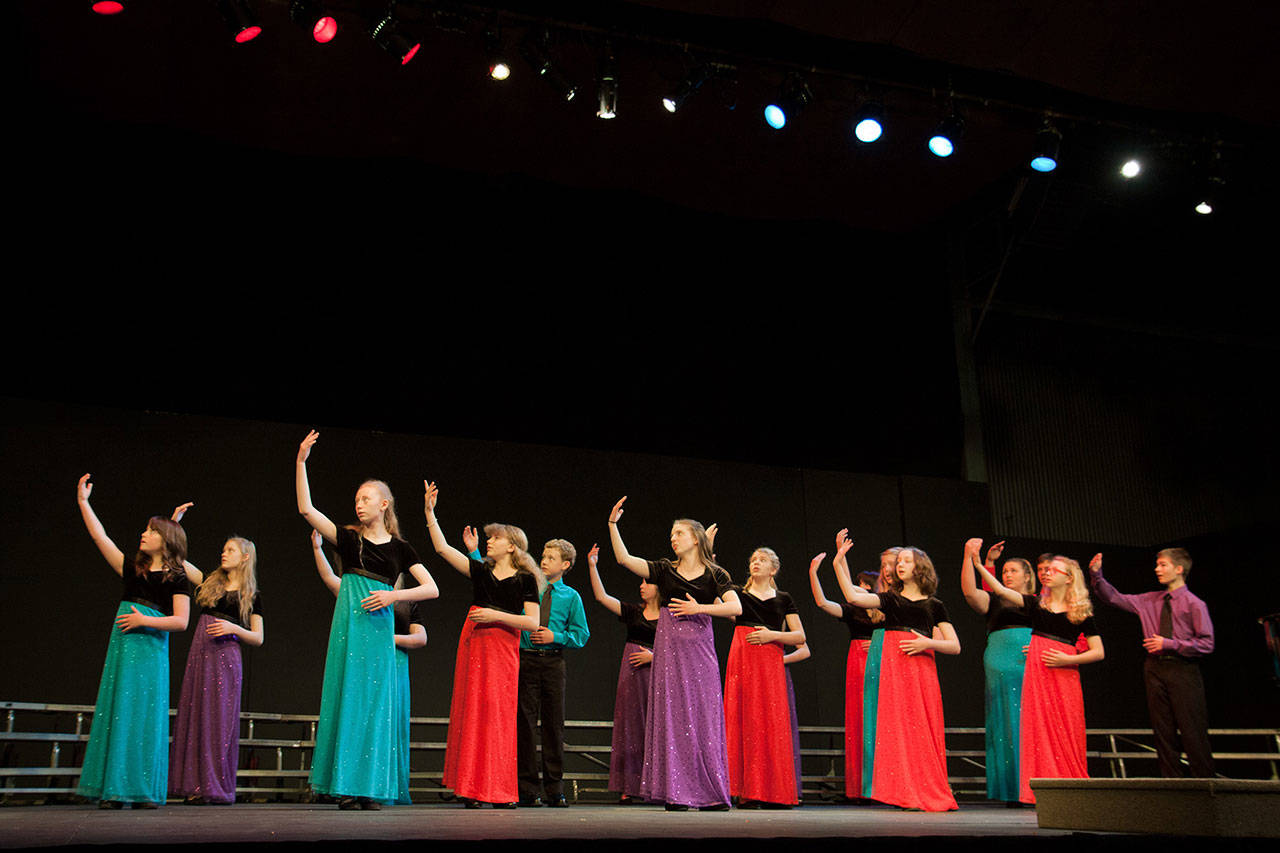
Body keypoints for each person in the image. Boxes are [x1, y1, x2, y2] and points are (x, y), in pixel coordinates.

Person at [295, 431, 440, 810]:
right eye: (356, 498)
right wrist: (301, 463)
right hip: (351, 624)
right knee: (349, 699)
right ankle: (345, 784)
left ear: (384, 504)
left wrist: (394, 595)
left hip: (378, 629)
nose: (358, 504)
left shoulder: (399, 547)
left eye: (365, 498)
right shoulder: (347, 538)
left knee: (374, 705)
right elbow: (308, 511)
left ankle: (371, 787)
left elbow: (431, 588)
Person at [607, 496, 741, 811]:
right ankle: (677, 792)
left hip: (700, 649)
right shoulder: (665, 570)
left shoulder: (714, 573)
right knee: (674, 717)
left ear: (695, 538)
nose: (673, 537)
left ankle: (710, 791)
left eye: (678, 533)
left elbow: (736, 607)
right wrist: (613, 525)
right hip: (670, 650)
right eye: (672, 534)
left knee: (703, 717)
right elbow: (625, 559)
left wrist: (700, 607)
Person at [76, 474, 192, 808]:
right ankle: (114, 788)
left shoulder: (176, 577)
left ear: (166, 540)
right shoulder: (133, 570)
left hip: (150, 651)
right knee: (120, 713)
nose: (144, 533)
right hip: (124, 650)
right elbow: (101, 538)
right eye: (146, 529)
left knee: (144, 717)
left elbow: (182, 621)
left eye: (152, 531)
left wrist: (144, 619)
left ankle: (141, 790)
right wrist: (84, 503)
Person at [424, 481, 541, 808]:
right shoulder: (481, 572)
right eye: (490, 537)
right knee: (473, 712)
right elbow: (443, 550)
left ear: (512, 546)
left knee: (500, 717)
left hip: (503, 647)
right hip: (475, 644)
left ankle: (500, 790)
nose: (490, 541)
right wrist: (430, 514)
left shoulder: (525, 579)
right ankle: (471, 788)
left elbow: (532, 622)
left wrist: (496, 616)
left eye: (496, 538)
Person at [972, 542, 1104, 804]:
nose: (1048, 573)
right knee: (1037, 728)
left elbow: (1098, 651)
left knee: (1063, 727)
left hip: (1063, 671)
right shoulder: (1036, 605)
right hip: (1038, 673)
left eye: (1055, 570)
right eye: (1047, 570)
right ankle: (1039, 789)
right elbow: (999, 590)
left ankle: (1070, 786)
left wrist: (1068, 658)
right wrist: (979, 565)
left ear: (1069, 579)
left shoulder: (1080, 612)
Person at [836, 539, 960, 811]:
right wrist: (839, 561)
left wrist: (928, 643)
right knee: (897, 728)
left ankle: (924, 786)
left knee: (921, 728)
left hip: (921, 669)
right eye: (898, 561)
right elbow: (853, 597)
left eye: (906, 560)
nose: (899, 565)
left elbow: (954, 645)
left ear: (920, 567)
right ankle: (902, 790)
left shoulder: (934, 605)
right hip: (893, 669)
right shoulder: (890, 599)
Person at [312, 532, 426, 805]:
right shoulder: (357, 591)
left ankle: (378, 787)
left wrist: (386, 639)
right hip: (361, 660)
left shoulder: (407, 603)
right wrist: (318, 549)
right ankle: (349, 786)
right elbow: (330, 579)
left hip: (392, 663)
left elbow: (421, 638)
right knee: (356, 716)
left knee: (383, 722)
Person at [1089, 549, 1214, 778]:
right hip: (1154, 667)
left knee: (1191, 729)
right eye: (1157, 565)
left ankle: (1205, 784)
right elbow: (1115, 597)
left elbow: (1206, 643)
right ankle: (1171, 783)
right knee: (1162, 728)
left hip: (1182, 668)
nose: (1157, 569)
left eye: (1163, 565)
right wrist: (1097, 576)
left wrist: (1171, 644)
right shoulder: (1150, 600)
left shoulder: (1194, 604)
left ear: (1179, 569)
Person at [170, 527, 264, 805]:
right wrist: (176, 525)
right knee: (196, 715)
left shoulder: (252, 595)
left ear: (245, 557)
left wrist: (234, 627)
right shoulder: (211, 583)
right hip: (202, 653)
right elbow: (178, 561)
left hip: (227, 658)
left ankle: (215, 786)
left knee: (219, 721)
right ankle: (193, 785)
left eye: (230, 550)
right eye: (223, 549)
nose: (224, 553)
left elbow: (258, 638)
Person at [723, 547, 807, 808]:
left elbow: (800, 637)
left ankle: (775, 792)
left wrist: (773, 636)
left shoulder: (783, 599)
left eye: (762, 560)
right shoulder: (738, 595)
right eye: (753, 560)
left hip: (769, 663)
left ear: (773, 569)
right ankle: (746, 790)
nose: (756, 563)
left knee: (771, 723)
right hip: (743, 660)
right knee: (743, 720)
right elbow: (718, 600)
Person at [513, 538, 590, 807]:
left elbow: (581, 634)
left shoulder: (571, 596)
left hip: (553, 662)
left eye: (551, 558)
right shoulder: (527, 587)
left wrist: (555, 636)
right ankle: (526, 789)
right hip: (526, 661)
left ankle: (554, 789)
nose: (543, 561)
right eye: (543, 556)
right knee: (524, 723)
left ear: (565, 565)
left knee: (553, 725)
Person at [959, 539, 1034, 804]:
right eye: (1004, 572)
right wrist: (970, 557)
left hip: (1030, 664)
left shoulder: (1038, 602)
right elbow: (970, 593)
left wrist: (1040, 646)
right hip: (1000, 663)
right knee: (1005, 723)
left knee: (1031, 722)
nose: (1008, 575)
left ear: (1028, 576)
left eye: (1013, 571)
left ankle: (1036, 785)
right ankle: (1012, 790)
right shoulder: (994, 602)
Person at [586, 543, 659, 804]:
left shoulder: (672, 616)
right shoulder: (634, 611)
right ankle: (630, 785)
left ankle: (655, 785)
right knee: (631, 726)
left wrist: (655, 656)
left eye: (647, 583)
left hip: (658, 675)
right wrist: (593, 567)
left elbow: (681, 650)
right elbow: (602, 598)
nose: (641, 586)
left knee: (656, 727)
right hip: (632, 674)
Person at [831, 533, 896, 799]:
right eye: (887, 566)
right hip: (879, 656)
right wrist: (840, 557)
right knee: (872, 717)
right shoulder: (882, 598)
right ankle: (875, 783)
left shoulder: (904, 597)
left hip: (897, 656)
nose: (890, 570)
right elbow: (850, 591)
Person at [808, 551, 874, 800]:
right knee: (860, 718)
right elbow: (823, 603)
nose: (856, 588)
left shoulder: (888, 609)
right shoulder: (854, 612)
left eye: (862, 584)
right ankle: (861, 786)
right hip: (858, 662)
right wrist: (814, 573)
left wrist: (879, 643)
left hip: (882, 662)